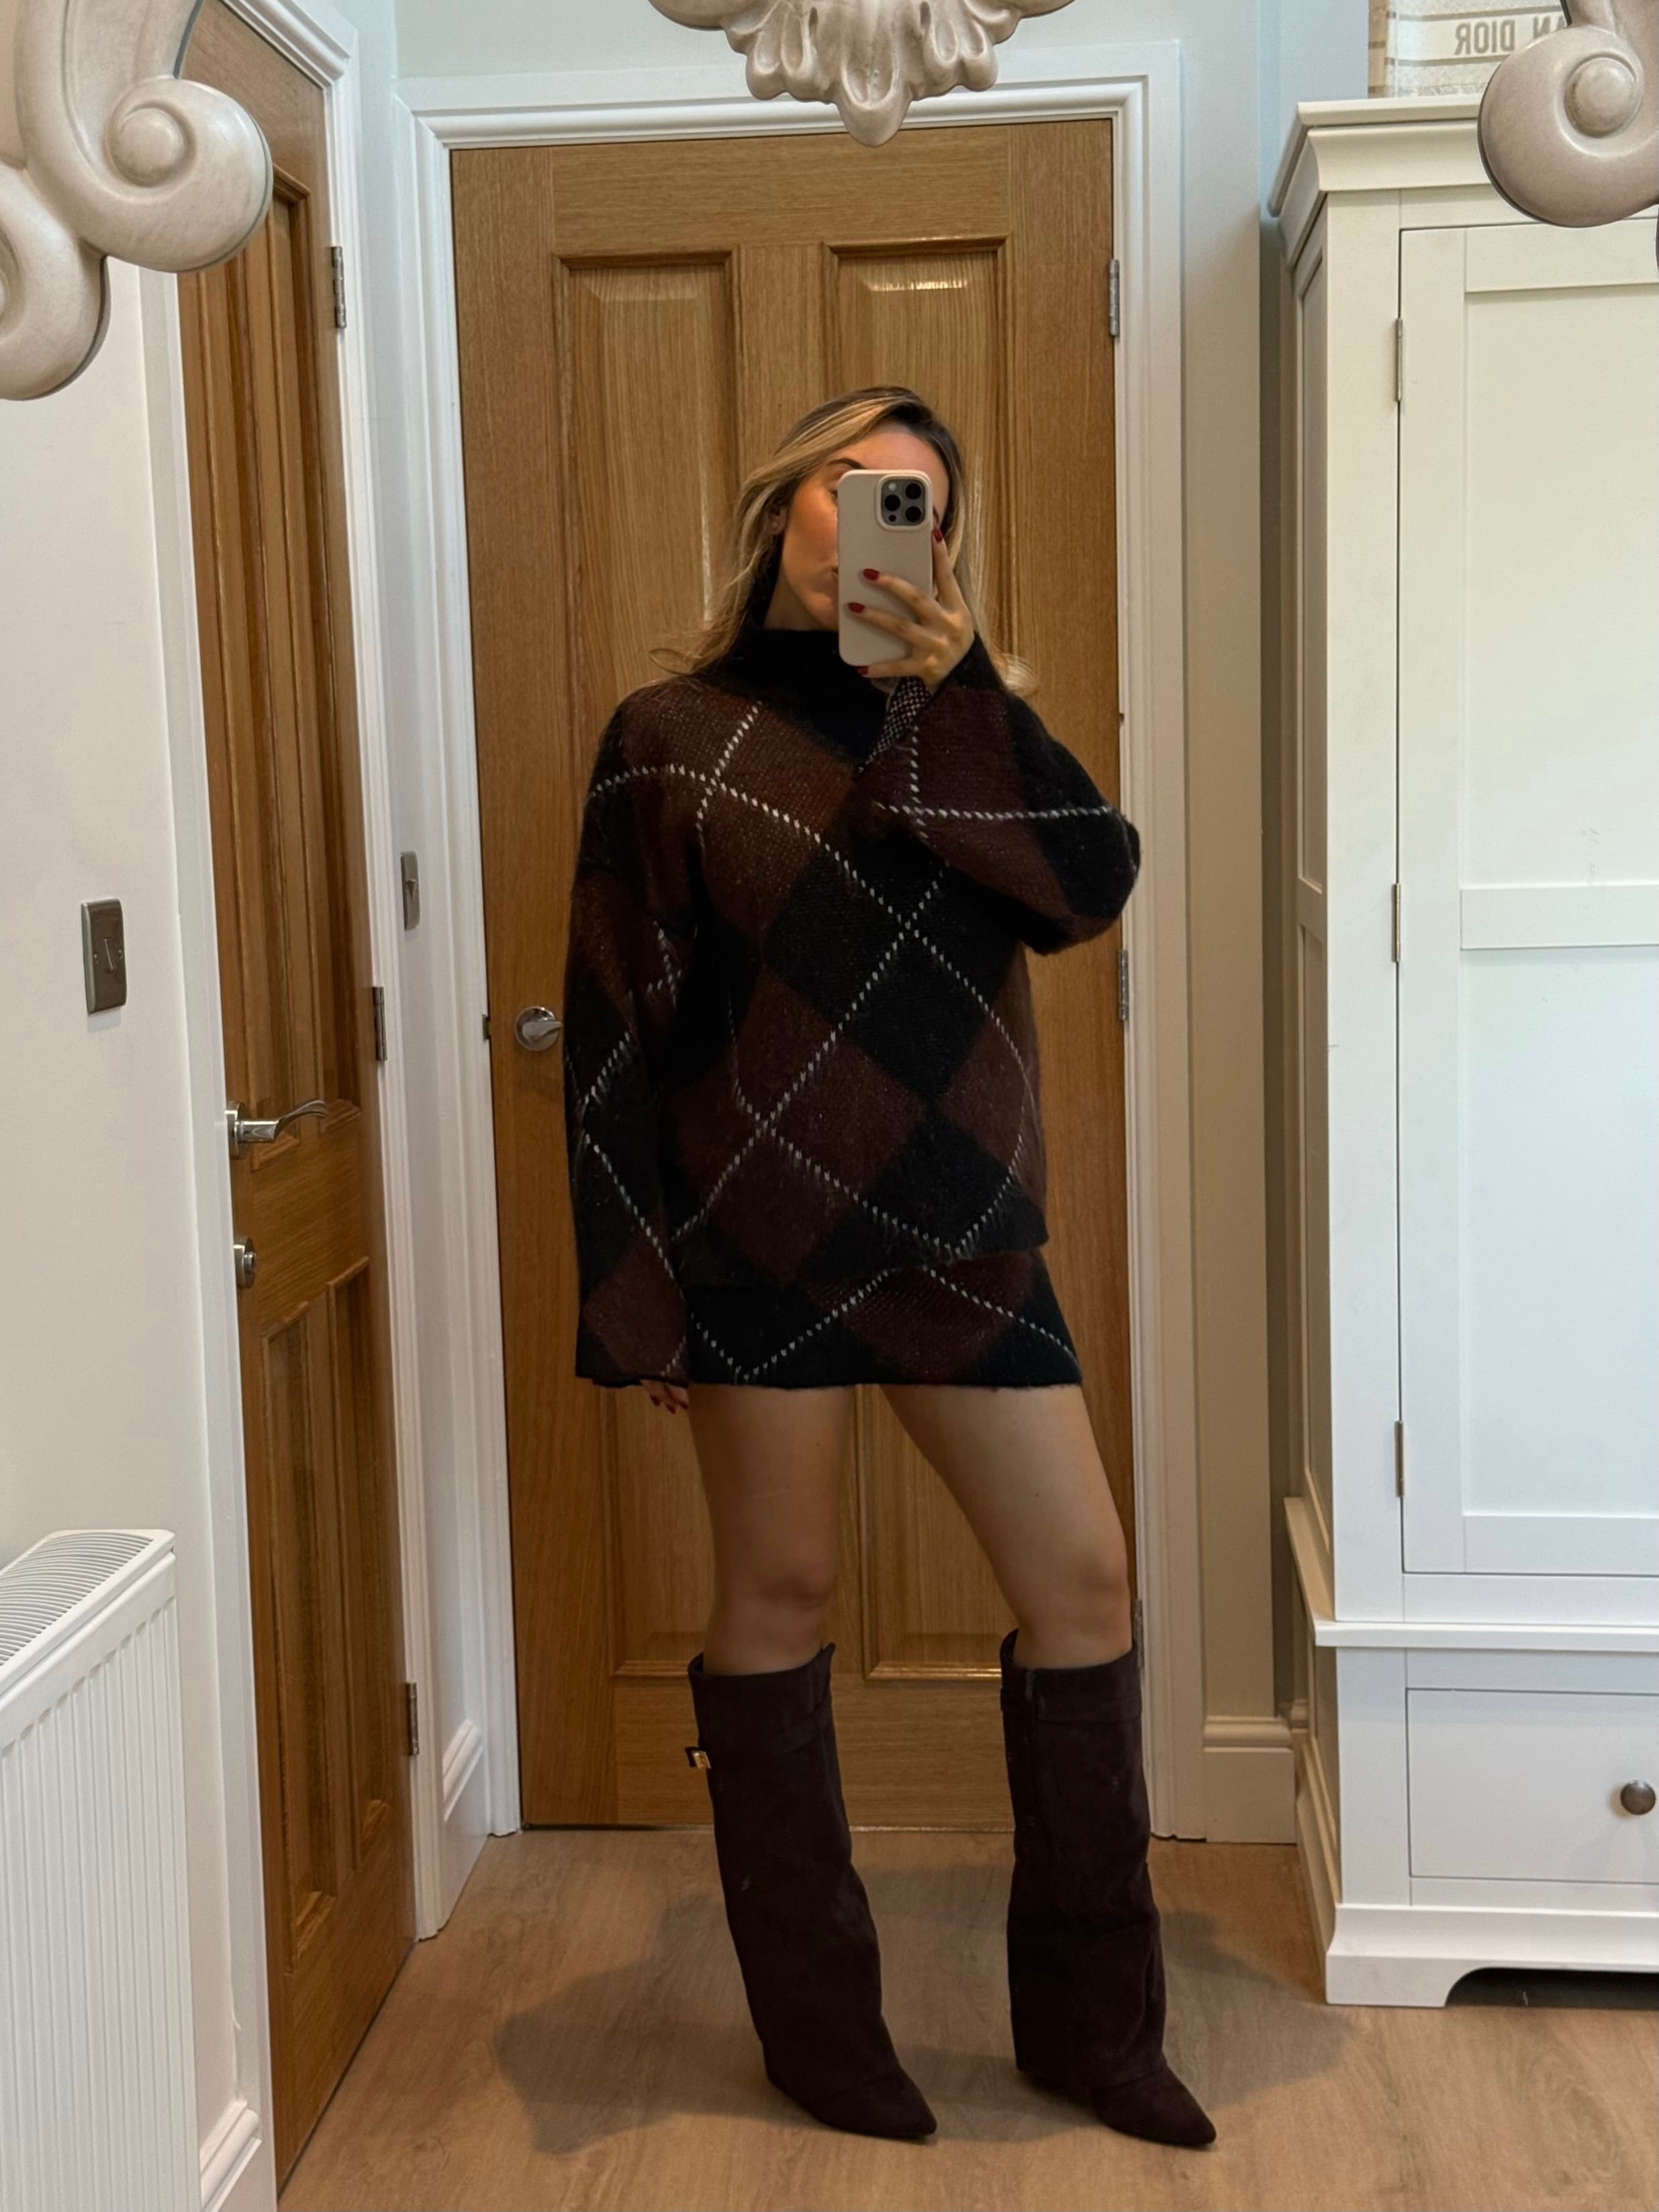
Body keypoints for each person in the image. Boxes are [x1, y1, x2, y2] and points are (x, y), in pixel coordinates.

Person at [560, 386, 1215, 2151]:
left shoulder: (965, 724)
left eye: (916, 502)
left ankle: (1097, 2032)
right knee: (776, 1605)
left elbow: (1089, 890)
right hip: (757, 1243)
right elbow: (618, 1029)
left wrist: (968, 682)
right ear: (784, 506)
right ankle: (818, 2032)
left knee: (1086, 1591)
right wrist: (637, 1294)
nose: (876, 525)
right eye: (852, 489)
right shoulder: (669, 735)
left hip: (966, 1234)